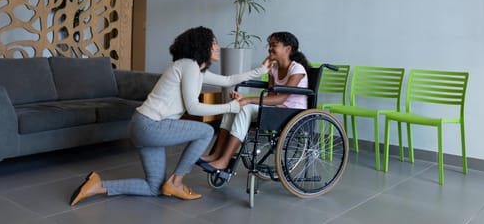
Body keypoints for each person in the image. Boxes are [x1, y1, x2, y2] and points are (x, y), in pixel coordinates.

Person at [69, 26, 271, 205]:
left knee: (154, 187)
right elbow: (193, 107)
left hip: (142, 126)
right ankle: (177, 181)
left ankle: (97, 186)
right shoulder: (189, 65)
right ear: (201, 46)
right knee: (206, 131)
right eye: (214, 43)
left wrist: (260, 70)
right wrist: (230, 107)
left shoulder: (195, 69)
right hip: (150, 126)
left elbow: (228, 80)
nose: (218, 47)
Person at [199, 31, 309, 171]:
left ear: (288, 49)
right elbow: (271, 96)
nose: (270, 49)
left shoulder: (297, 68)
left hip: (290, 112)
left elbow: (282, 97)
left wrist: (248, 100)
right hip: (276, 109)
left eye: (274, 45)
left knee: (245, 108)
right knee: (234, 107)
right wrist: (242, 100)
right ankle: (216, 155)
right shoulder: (273, 69)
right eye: (269, 45)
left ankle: (224, 160)